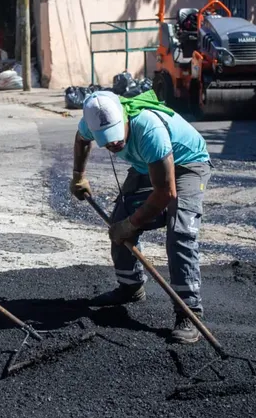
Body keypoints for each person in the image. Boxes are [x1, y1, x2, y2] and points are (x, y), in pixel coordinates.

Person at [69, 89, 212, 344]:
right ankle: (130, 286)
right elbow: (81, 140)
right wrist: (78, 176)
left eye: (115, 136)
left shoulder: (149, 130)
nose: (114, 145)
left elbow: (166, 192)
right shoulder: (92, 118)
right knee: (119, 220)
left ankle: (189, 313)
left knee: (180, 231)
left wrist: (132, 224)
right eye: (107, 141)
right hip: (148, 166)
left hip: (188, 163)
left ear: (124, 118)